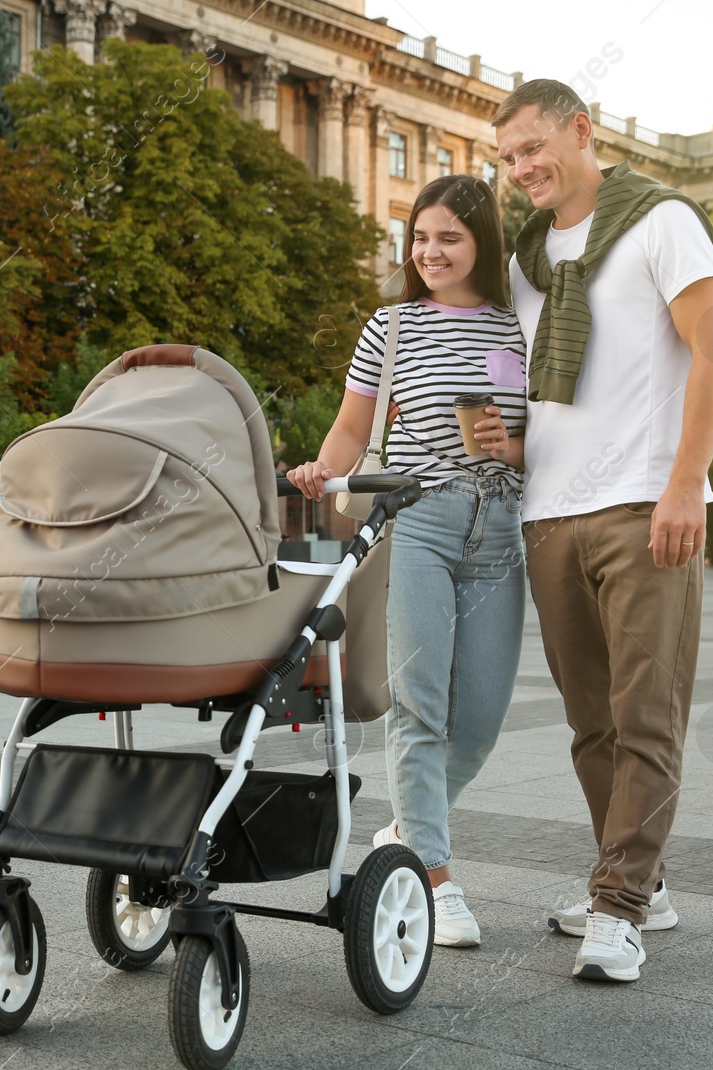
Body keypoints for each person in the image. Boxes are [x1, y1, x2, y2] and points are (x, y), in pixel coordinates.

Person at [487, 79, 713, 982]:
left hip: (644, 504)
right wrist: (507, 442)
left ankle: (619, 906)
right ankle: (646, 885)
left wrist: (684, 483)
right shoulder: (526, 258)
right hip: (549, 511)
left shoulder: (660, 221)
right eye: (508, 158)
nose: (521, 170)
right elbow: (540, 389)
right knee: (592, 724)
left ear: (580, 131)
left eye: (531, 148)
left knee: (646, 716)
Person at [286, 174, 527, 948]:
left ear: (483, 243)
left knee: (481, 720)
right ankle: (432, 873)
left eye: (449, 237)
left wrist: (510, 446)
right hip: (418, 523)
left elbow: (549, 430)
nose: (430, 251)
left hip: (500, 532)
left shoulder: (521, 324)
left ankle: (405, 829)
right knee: (420, 704)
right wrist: (325, 472)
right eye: (420, 237)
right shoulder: (389, 327)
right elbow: (351, 427)